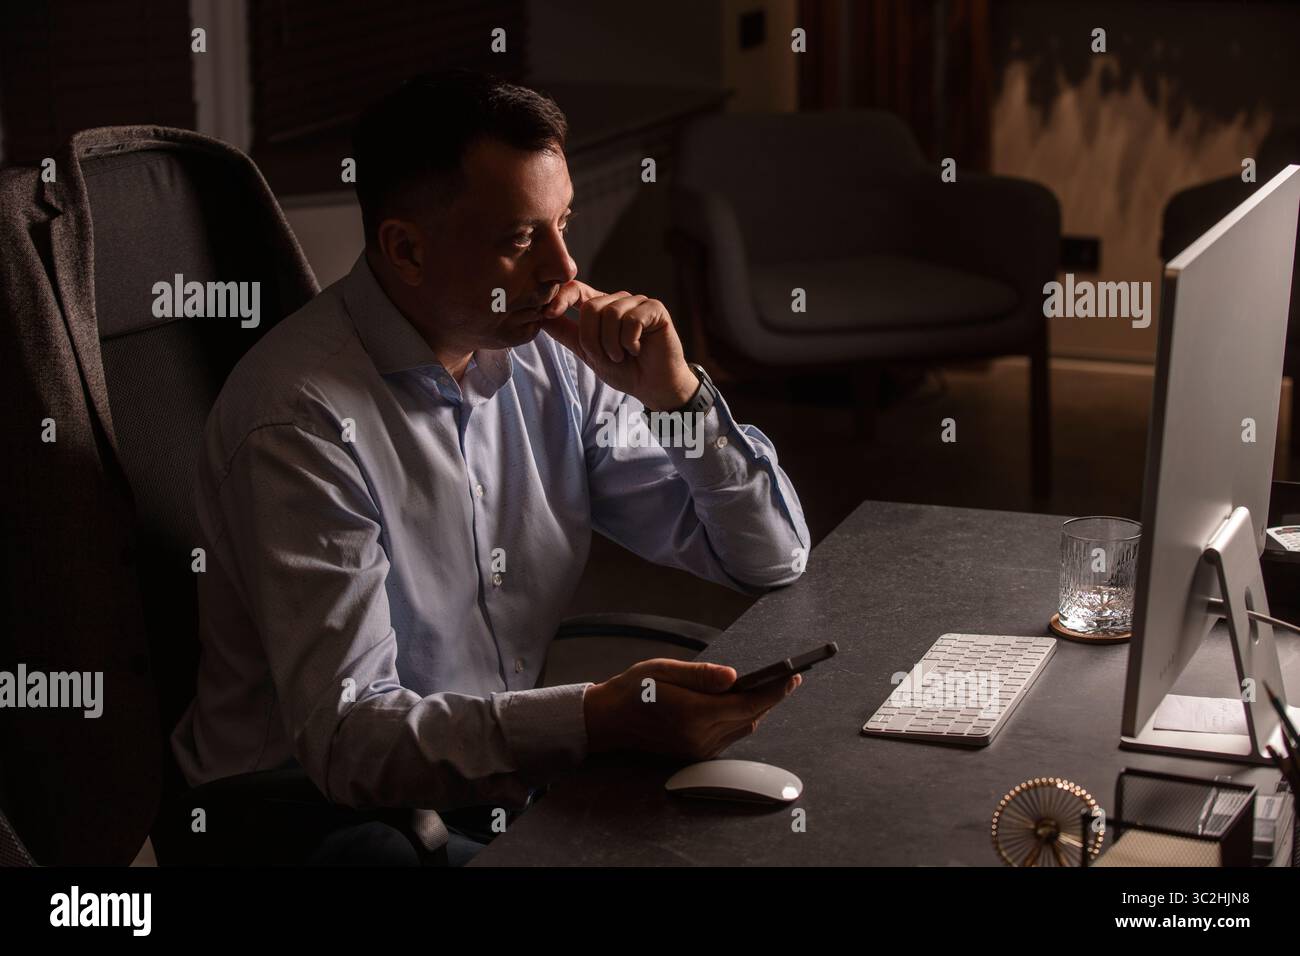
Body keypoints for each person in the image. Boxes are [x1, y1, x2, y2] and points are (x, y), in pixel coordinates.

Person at [168, 68, 810, 865]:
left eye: (564, 224)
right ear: (405, 248)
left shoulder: (555, 359)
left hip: (489, 782)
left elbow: (767, 555)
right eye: (520, 240)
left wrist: (678, 398)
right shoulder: (298, 420)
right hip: (301, 812)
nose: (565, 271)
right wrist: (593, 720)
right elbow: (348, 742)